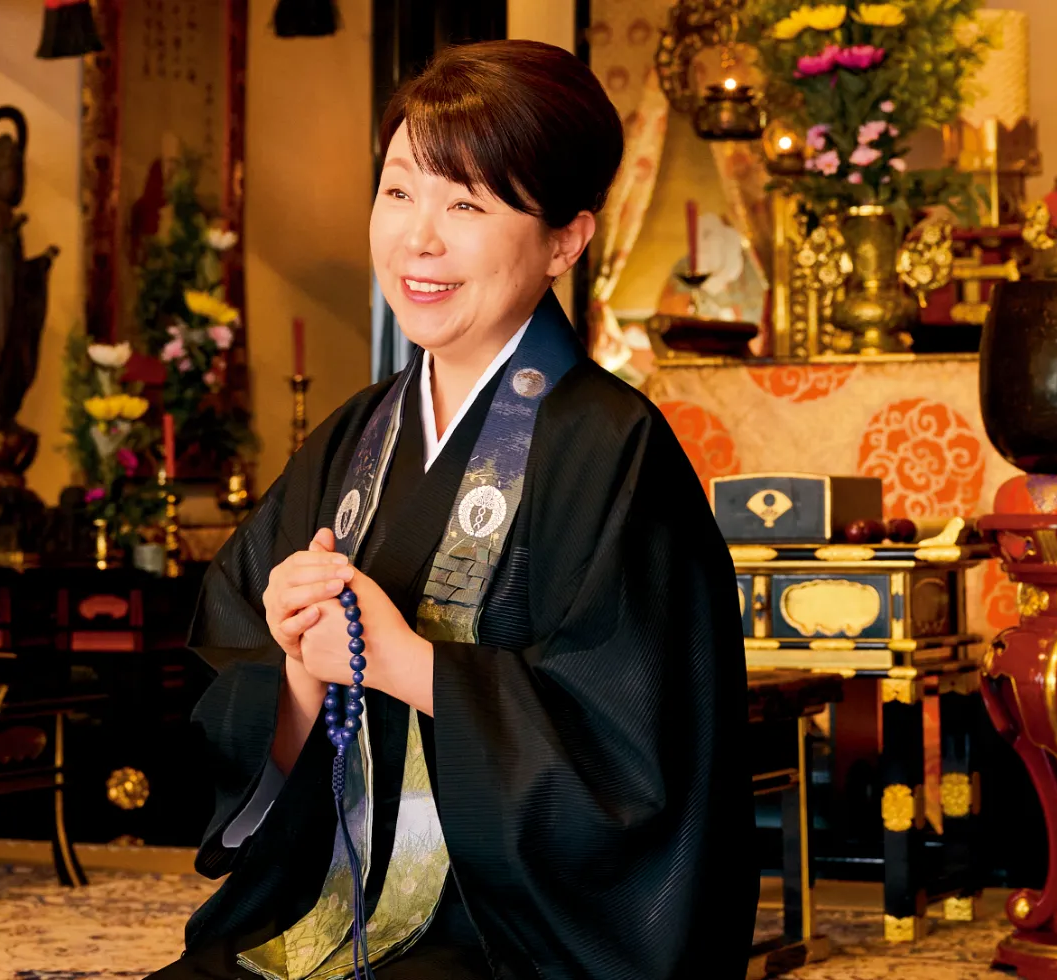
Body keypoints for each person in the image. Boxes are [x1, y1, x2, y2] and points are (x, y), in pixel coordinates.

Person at [149, 39, 753, 980]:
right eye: (399, 192)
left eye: (467, 204)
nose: (418, 240)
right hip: (329, 895)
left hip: (516, 936)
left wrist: (410, 665)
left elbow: (638, 769)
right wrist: (300, 673)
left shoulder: (614, 451)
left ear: (566, 239)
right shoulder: (355, 438)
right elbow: (231, 684)